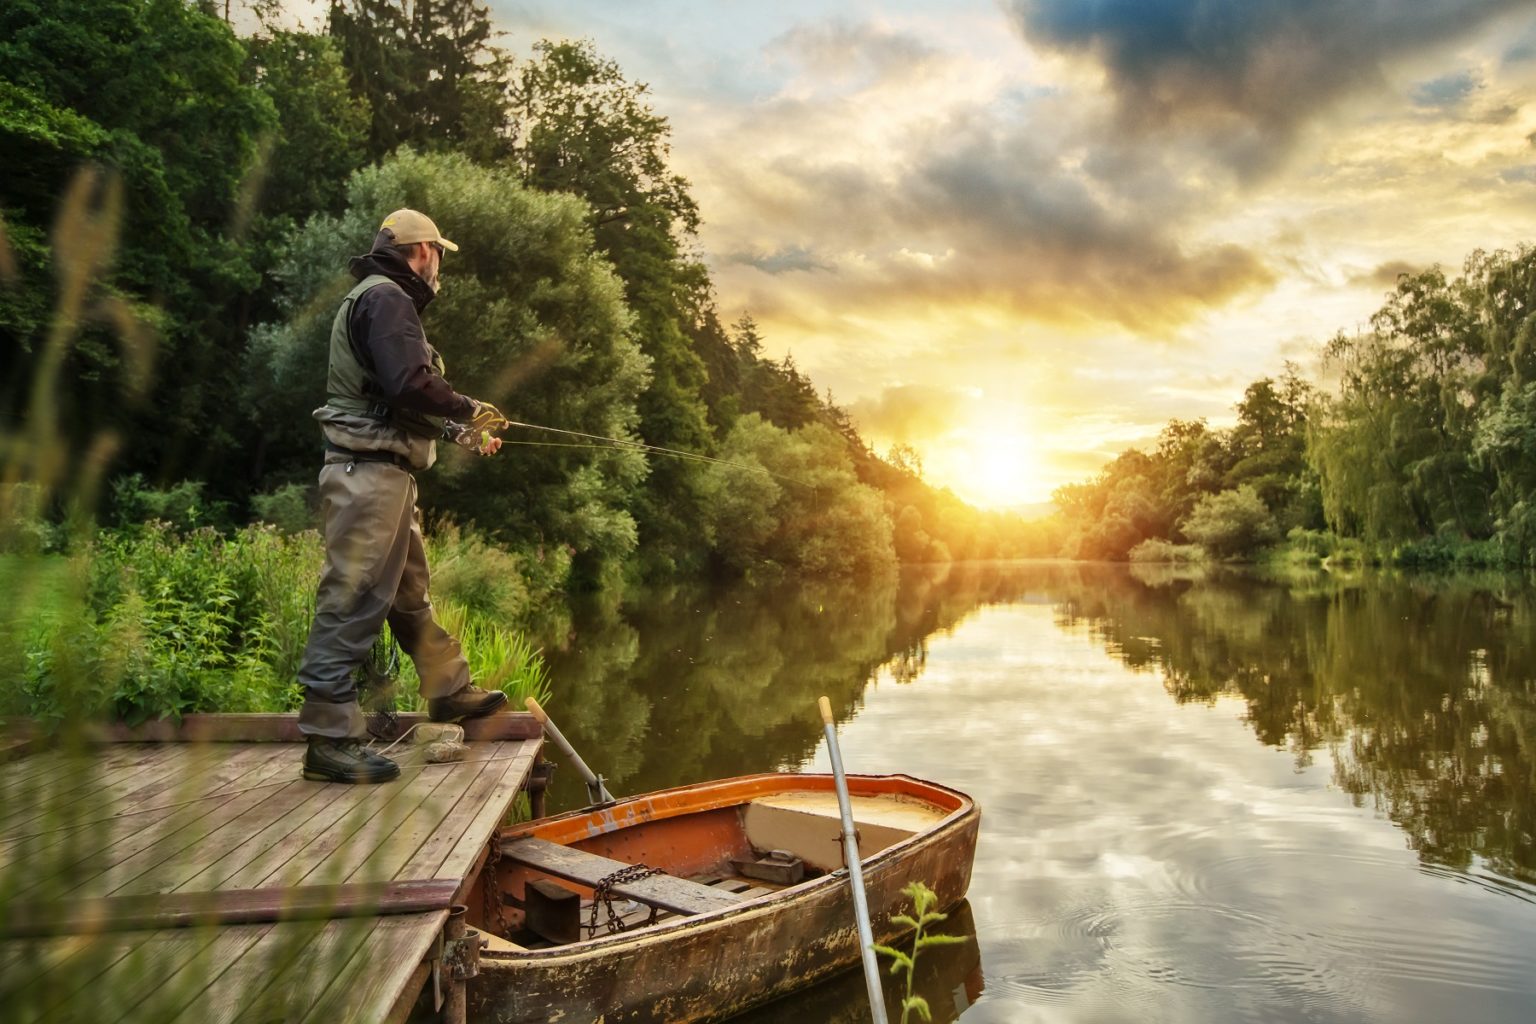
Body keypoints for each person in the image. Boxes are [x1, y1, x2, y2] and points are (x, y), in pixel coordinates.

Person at [297, 208, 510, 784]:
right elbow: (410, 383)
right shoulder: (388, 297)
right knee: (352, 595)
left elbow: (395, 399)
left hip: (382, 475)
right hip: (367, 476)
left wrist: (460, 431)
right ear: (423, 251)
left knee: (408, 598)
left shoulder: (377, 298)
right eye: (439, 254)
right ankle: (328, 737)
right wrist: (469, 406)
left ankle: (448, 691)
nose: (439, 266)